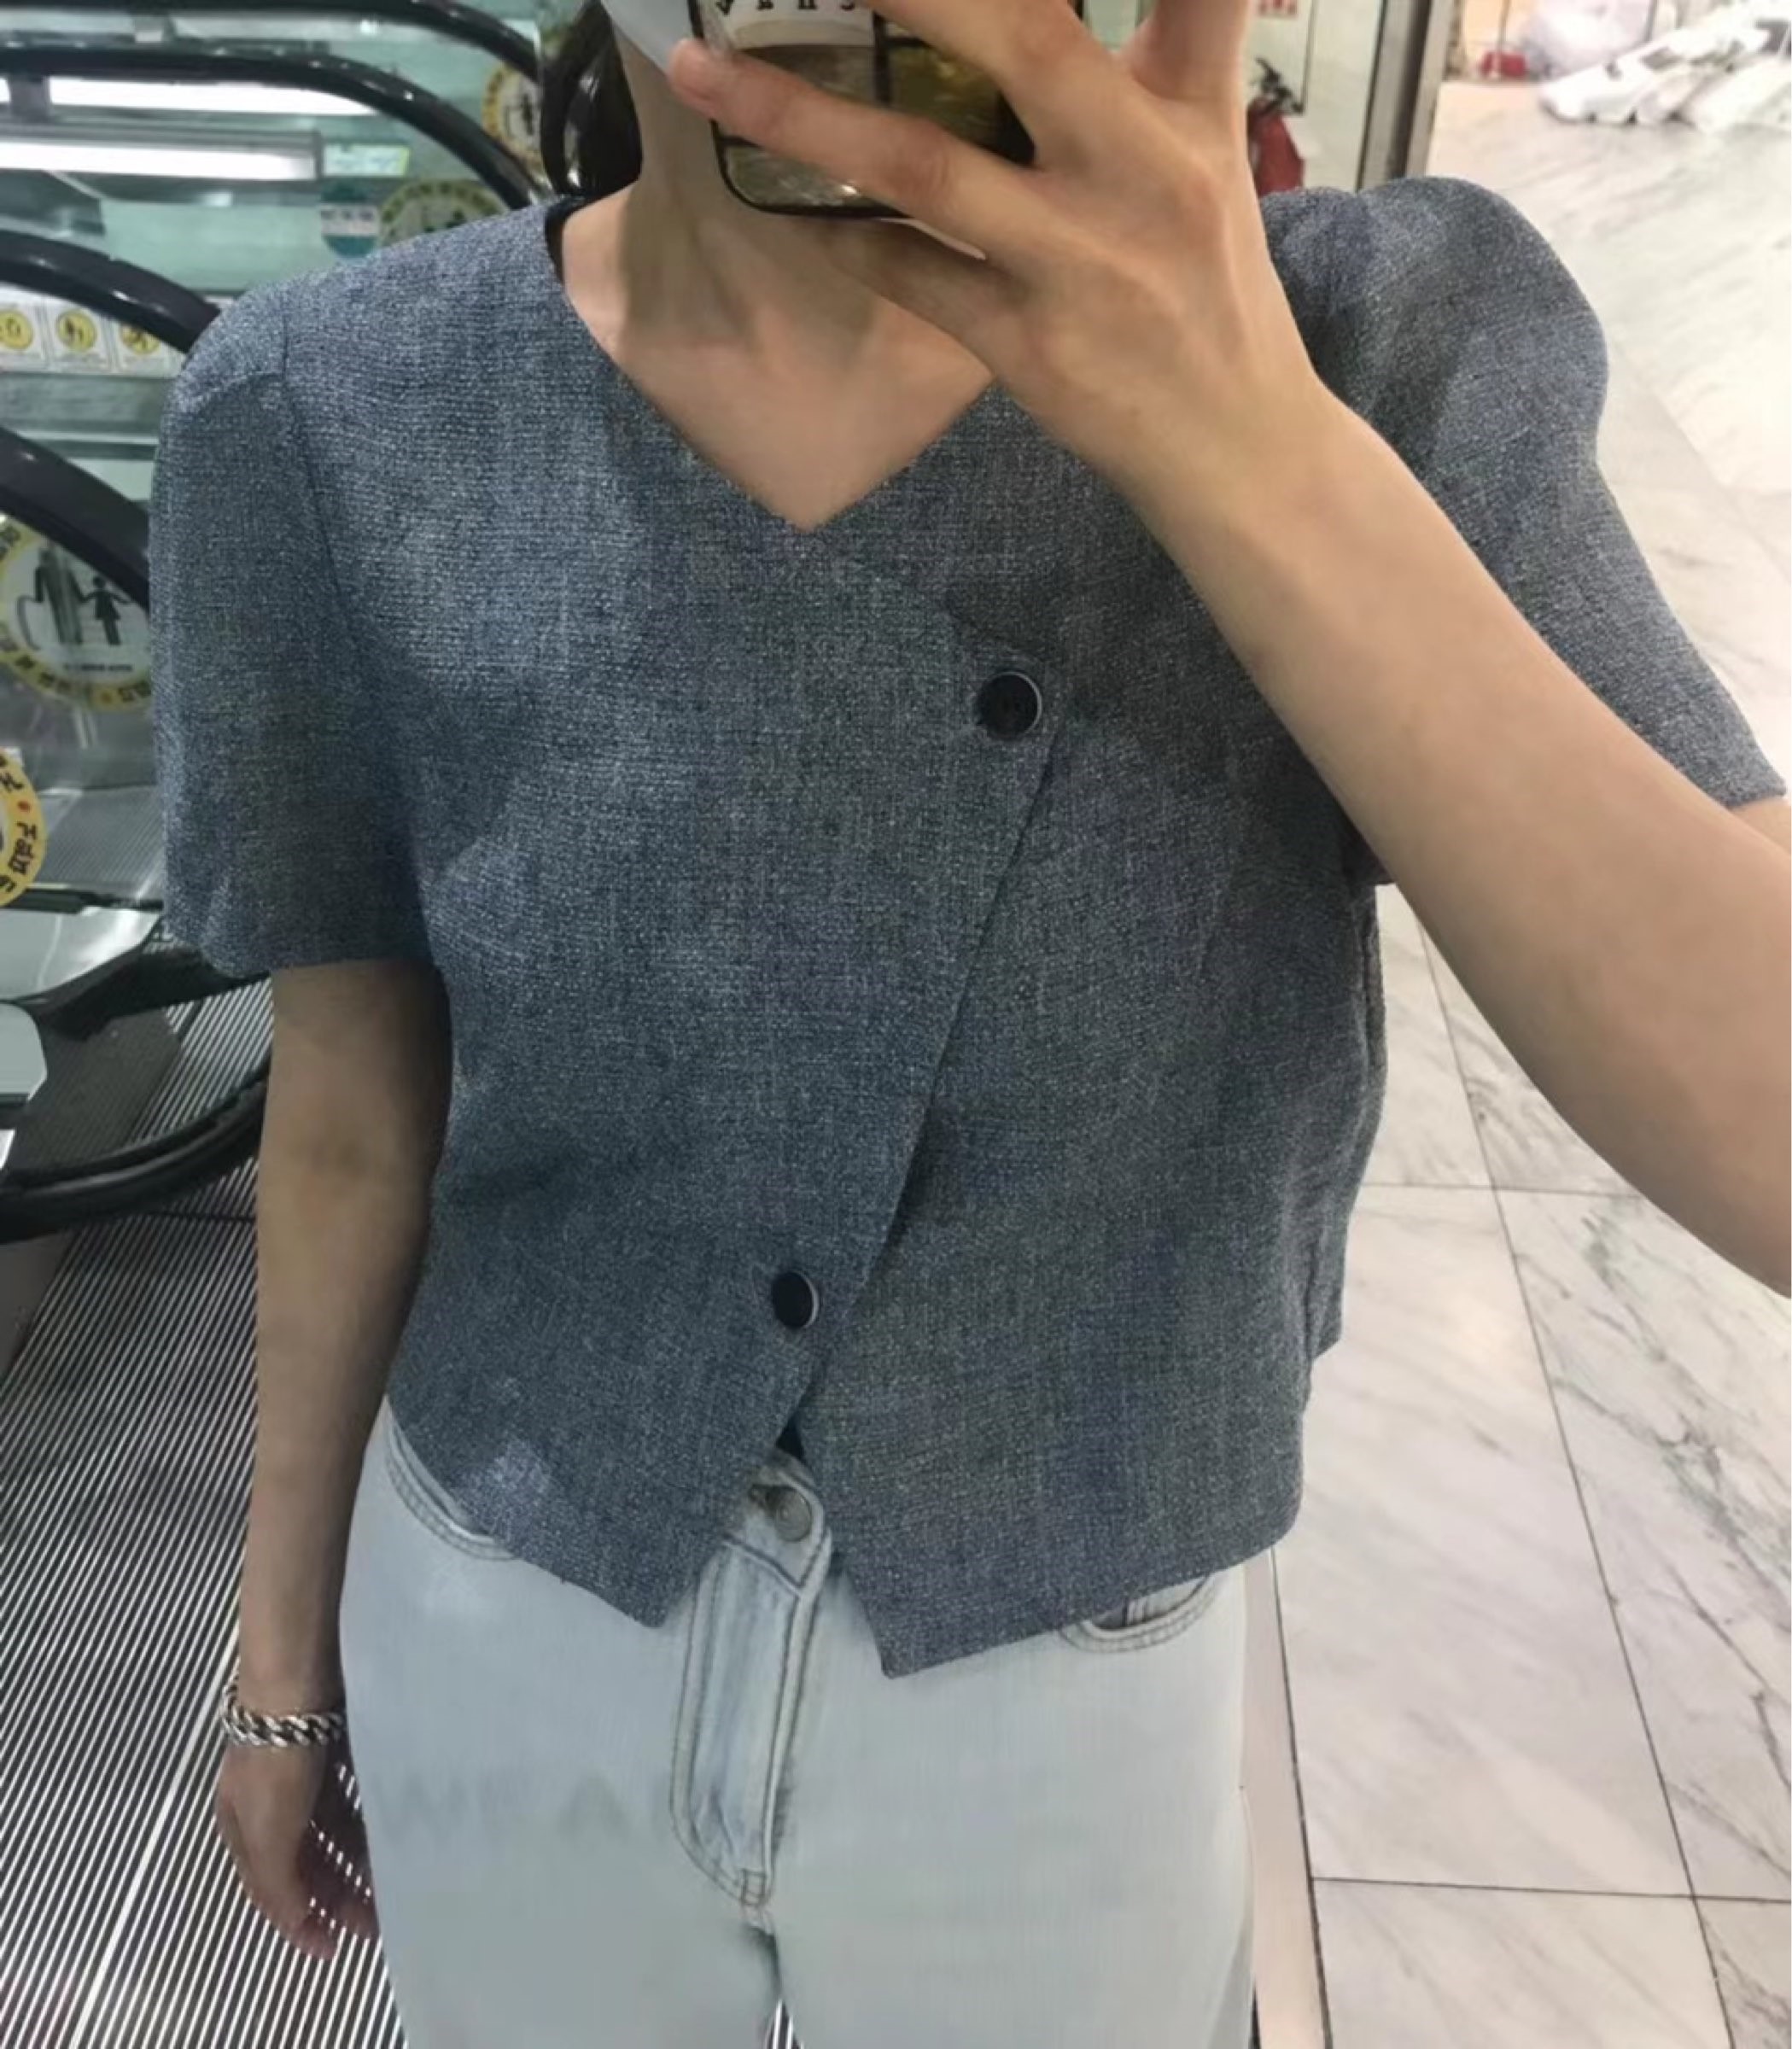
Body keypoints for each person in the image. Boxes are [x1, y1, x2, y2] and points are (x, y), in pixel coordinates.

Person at [149, 0, 1791, 2044]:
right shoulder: (331, 410)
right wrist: (281, 1662)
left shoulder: (1370, 351)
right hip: (513, 1602)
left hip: (1060, 1665)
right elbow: (347, 1109)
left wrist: (1240, 443)